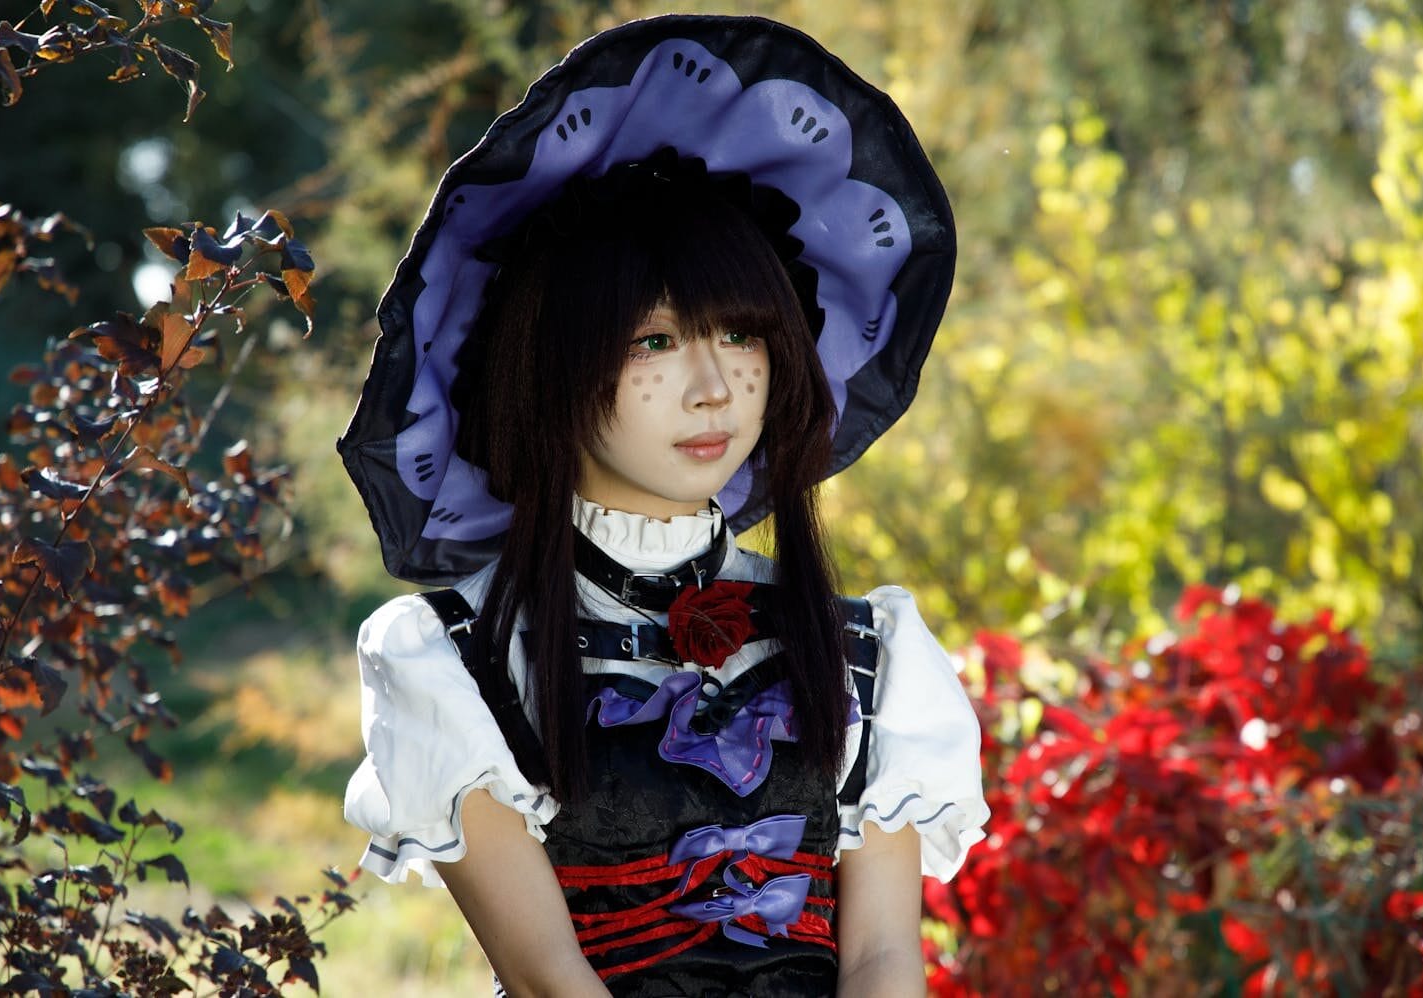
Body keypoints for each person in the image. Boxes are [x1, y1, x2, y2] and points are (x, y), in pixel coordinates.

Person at [338, 15, 988, 997]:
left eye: (739, 333)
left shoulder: (868, 647)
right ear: (551, 369)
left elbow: (883, 956)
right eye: (653, 342)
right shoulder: (456, 655)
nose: (713, 386)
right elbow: (549, 975)